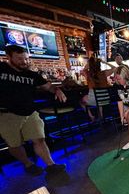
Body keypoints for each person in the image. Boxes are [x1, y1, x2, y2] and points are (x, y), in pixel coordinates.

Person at [0, 45, 67, 175]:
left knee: (39, 139)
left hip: (30, 112)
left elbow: (48, 86)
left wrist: (58, 90)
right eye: (19, 59)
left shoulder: (31, 74)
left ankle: (50, 165)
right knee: (14, 145)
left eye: (26, 59)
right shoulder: (1, 69)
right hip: (6, 114)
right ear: (8, 57)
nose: (24, 62)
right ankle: (28, 164)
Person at [81, 55, 116, 121]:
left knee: (81, 101)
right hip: (105, 99)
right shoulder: (104, 73)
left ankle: (91, 116)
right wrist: (104, 62)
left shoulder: (88, 74)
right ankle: (101, 117)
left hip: (94, 100)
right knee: (98, 100)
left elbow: (83, 70)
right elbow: (114, 68)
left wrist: (89, 63)